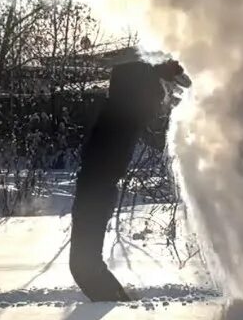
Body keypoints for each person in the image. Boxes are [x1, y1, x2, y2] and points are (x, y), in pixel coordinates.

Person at [69, 55, 190, 302]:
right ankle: (117, 302)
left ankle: (118, 304)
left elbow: (123, 78)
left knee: (84, 266)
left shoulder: (125, 117)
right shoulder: (123, 115)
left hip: (96, 192)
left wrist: (156, 73)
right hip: (96, 191)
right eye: (157, 99)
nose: (159, 106)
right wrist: (157, 71)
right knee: (85, 265)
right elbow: (122, 77)